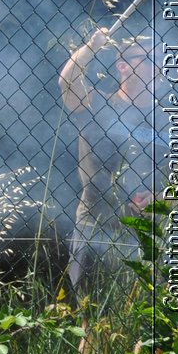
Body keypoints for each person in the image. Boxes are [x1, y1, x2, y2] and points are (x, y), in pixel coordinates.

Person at [60, 30, 160, 304]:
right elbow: (67, 82)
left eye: (159, 58)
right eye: (148, 58)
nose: (157, 64)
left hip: (144, 233)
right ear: (122, 65)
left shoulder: (165, 118)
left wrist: (160, 199)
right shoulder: (99, 103)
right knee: (92, 323)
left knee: (139, 330)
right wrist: (92, 47)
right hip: (95, 223)